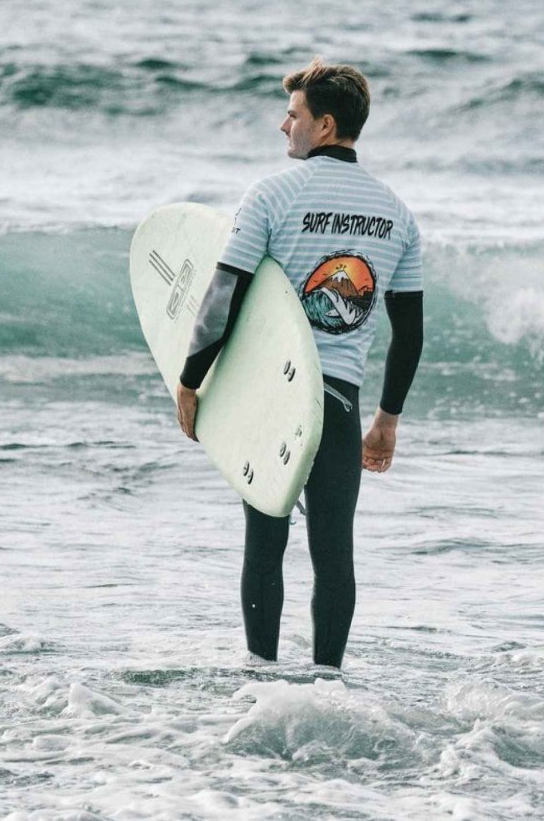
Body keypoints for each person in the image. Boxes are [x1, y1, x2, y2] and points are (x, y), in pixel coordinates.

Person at [175, 58, 424, 669]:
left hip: (273, 397)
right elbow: (410, 332)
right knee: (334, 550)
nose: (283, 125)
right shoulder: (397, 213)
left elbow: (222, 296)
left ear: (325, 125)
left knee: (265, 543)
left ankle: (260, 677)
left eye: (294, 115)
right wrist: (387, 421)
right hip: (338, 403)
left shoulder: (271, 194)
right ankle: (328, 684)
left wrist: (189, 380)